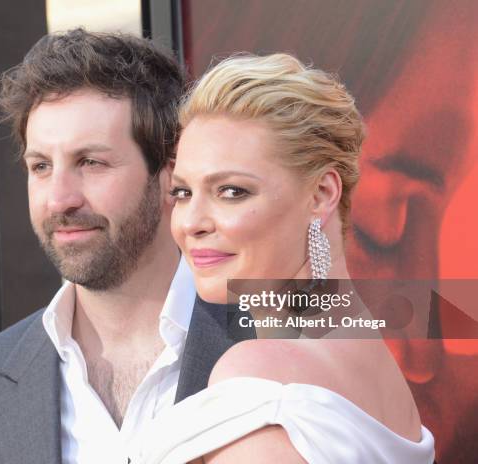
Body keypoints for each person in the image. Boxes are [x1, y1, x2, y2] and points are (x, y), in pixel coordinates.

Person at [0, 29, 253, 464]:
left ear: (170, 177)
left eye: (91, 162)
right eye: (41, 166)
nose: (59, 199)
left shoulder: (282, 328)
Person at [131, 53, 435, 463]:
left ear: (321, 195)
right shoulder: (383, 372)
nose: (191, 223)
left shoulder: (259, 374)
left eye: (232, 191)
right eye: (183, 193)